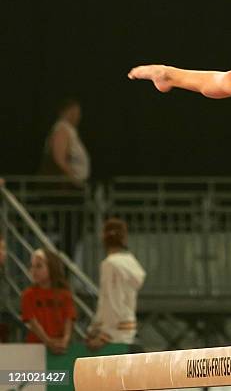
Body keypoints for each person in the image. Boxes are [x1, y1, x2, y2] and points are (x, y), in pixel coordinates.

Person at [85, 218, 146, 352]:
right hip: (128, 330)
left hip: (113, 336)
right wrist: (94, 327)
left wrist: (104, 335)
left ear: (103, 237)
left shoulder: (110, 264)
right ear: (124, 238)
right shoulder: (131, 262)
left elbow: (112, 302)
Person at [21, 248, 76, 354]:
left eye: (39, 266)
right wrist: (48, 341)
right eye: (32, 266)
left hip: (61, 348)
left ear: (51, 267)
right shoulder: (28, 295)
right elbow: (32, 322)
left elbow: (69, 319)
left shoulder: (65, 294)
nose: (33, 270)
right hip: (35, 349)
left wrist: (65, 340)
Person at [39, 97, 90, 185]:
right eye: (76, 112)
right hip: (63, 187)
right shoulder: (62, 129)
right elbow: (59, 159)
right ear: (69, 112)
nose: (79, 116)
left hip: (70, 186)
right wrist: (73, 178)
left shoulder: (69, 130)